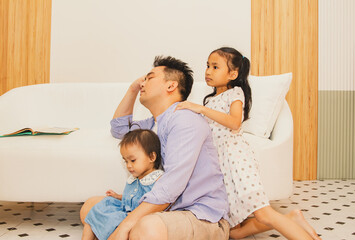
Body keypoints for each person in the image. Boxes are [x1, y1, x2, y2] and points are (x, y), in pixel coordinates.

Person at [176, 47, 321, 240]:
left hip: (237, 161)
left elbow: (235, 121)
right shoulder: (211, 99)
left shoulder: (235, 93)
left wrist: (200, 109)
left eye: (215, 67)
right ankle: (292, 218)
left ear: (233, 74)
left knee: (264, 214)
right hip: (222, 166)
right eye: (208, 66)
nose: (208, 71)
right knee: (234, 231)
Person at [80, 56, 230, 240]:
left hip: (198, 215)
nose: (143, 82)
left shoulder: (186, 120)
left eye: (149, 78)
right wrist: (133, 89)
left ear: (171, 86)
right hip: (164, 210)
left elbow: (172, 184)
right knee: (91, 206)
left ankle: (132, 231)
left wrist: (127, 223)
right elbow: (119, 129)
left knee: (146, 228)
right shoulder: (153, 124)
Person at [81, 129, 164, 240]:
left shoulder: (157, 179)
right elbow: (132, 195)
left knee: (114, 220)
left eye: (133, 160)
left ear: (152, 157)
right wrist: (119, 196)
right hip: (124, 210)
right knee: (98, 209)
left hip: (136, 217)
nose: (128, 165)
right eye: (125, 161)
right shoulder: (135, 177)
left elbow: (158, 204)